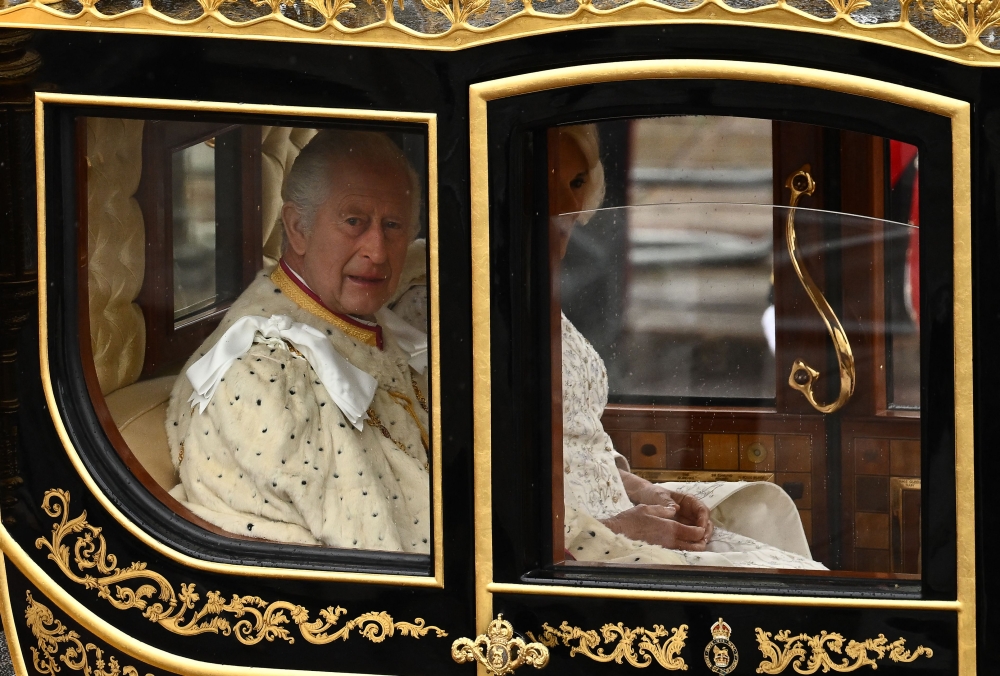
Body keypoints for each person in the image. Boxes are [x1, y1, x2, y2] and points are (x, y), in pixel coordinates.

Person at [551, 124, 824, 569]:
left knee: (762, 510)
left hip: (614, 504)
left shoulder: (544, 292)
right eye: (546, 185)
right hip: (575, 546)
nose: (564, 207)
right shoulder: (458, 315)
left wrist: (643, 490)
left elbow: (579, 442)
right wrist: (614, 530)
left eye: (576, 183)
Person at [165, 129, 431, 553]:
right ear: (297, 227)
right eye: (354, 221)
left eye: (393, 225)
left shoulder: (367, 320)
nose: (378, 252)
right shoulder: (261, 379)